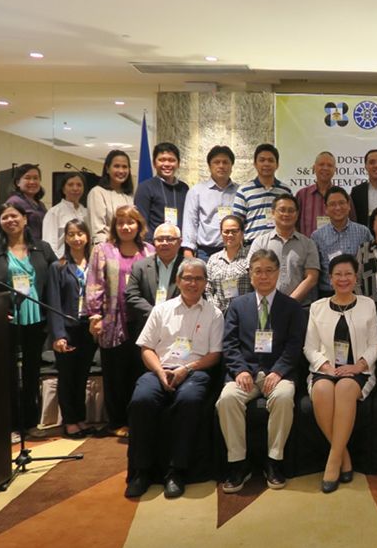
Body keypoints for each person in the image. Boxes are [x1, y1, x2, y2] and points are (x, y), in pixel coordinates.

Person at [125, 258, 224, 498]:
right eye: (187, 278)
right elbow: (146, 348)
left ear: (206, 283)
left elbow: (215, 355)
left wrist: (186, 369)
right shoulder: (161, 310)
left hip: (195, 372)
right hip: (159, 370)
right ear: (178, 281)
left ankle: (176, 471)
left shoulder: (214, 313)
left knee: (189, 401)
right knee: (141, 401)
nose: (193, 283)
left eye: (198, 279)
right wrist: (160, 372)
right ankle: (141, 471)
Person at [217, 249, 306, 493]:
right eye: (258, 271)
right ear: (250, 274)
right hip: (244, 373)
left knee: (284, 397)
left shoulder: (292, 307)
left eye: (269, 271)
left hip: (279, 373)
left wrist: (278, 372)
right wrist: (240, 370)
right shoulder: (238, 305)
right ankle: (238, 463)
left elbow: (295, 345)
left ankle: (274, 462)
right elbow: (229, 344)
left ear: (278, 273)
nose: (264, 276)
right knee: (227, 399)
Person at [304, 254, 377, 493]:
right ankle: (343, 455)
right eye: (338, 274)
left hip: (358, 370)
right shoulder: (317, 307)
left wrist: (359, 366)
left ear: (356, 278)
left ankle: (332, 461)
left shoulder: (368, 304)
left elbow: (375, 344)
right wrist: (325, 366)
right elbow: (309, 347)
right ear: (330, 278)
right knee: (322, 389)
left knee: (345, 388)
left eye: (348, 274)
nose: (343, 279)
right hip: (325, 368)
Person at [0, 201, 57, 433]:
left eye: (14, 216)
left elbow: (55, 281)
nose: (10, 220)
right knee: (8, 373)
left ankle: (30, 422)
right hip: (8, 319)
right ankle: (11, 422)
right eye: (4, 217)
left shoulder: (42, 248)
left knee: (33, 371)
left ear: (25, 219)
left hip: (38, 318)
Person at [86, 205, 155, 437]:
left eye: (130, 222)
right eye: (121, 223)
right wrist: (95, 315)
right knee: (115, 374)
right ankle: (117, 422)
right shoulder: (103, 250)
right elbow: (94, 283)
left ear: (139, 225)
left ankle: (138, 419)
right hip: (112, 320)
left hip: (143, 321)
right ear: (115, 226)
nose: (126, 227)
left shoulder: (149, 250)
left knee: (140, 371)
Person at [45, 219, 96, 439]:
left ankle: (80, 418)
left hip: (88, 328)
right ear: (65, 238)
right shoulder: (58, 266)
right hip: (67, 329)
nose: (76, 238)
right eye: (71, 234)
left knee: (82, 376)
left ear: (87, 236)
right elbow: (53, 302)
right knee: (67, 377)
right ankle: (70, 421)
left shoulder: (95, 265)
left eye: (80, 233)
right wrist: (58, 335)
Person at [247, 194, 320, 306]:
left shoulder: (308, 244)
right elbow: (253, 274)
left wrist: (288, 304)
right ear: (273, 213)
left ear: (297, 214)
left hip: (300, 308)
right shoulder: (260, 243)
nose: (286, 214)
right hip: (266, 306)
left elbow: (312, 278)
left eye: (291, 210)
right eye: (282, 210)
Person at [125, 222, 184, 340]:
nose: (164, 243)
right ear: (153, 243)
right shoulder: (140, 266)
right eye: (160, 239)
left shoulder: (190, 267)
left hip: (180, 327)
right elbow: (131, 296)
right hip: (147, 326)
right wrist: (155, 314)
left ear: (180, 242)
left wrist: (170, 317)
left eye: (170, 239)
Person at [310, 187, 372, 297]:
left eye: (342, 203)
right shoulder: (317, 236)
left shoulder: (363, 232)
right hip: (327, 293)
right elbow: (315, 271)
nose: (338, 207)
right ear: (326, 208)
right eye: (332, 204)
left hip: (357, 293)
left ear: (349, 205)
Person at [183, 145, 239, 261]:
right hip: (205, 253)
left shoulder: (240, 192)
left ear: (231, 166)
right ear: (209, 166)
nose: (221, 166)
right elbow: (190, 223)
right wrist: (188, 252)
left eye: (225, 162)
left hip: (234, 250)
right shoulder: (196, 191)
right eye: (216, 162)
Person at [234, 143, 291, 243]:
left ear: (277, 165)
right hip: (251, 246)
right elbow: (237, 222)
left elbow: (290, 220)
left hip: (280, 244)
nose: (266, 164)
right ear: (255, 164)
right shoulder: (244, 190)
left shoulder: (285, 191)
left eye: (270, 160)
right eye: (262, 160)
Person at [134, 142, 189, 241]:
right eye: (162, 160)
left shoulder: (184, 188)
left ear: (178, 164)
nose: (167, 164)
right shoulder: (145, 187)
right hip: (155, 244)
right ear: (154, 163)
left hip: (179, 244)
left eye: (171, 160)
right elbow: (142, 222)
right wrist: (152, 244)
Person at [205, 215, 253, 312]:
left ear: (242, 233)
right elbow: (208, 288)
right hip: (218, 313)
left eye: (234, 231)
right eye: (226, 231)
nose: (230, 235)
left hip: (244, 311)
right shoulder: (213, 259)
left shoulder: (250, 257)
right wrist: (213, 310)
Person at [88, 149, 135, 245]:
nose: (121, 171)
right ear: (107, 169)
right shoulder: (97, 192)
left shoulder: (130, 195)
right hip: (108, 248)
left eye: (124, 167)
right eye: (116, 166)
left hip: (129, 247)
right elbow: (98, 232)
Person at [42, 171, 89, 257]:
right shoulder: (54, 212)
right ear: (63, 189)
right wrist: (56, 262)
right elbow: (48, 243)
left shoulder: (86, 212)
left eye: (79, 185)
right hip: (62, 260)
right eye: (70, 185)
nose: (75, 188)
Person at [295, 150, 342, 237]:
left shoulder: (342, 196)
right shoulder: (302, 195)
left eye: (329, 165)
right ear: (314, 168)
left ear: (335, 170)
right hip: (307, 245)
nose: (325, 168)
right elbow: (293, 224)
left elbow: (351, 224)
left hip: (337, 245)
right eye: (321, 164)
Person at [5, 164, 49, 242]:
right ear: (18, 182)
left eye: (36, 178)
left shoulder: (41, 204)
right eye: (27, 178)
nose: (32, 182)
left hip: (41, 246)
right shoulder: (14, 202)